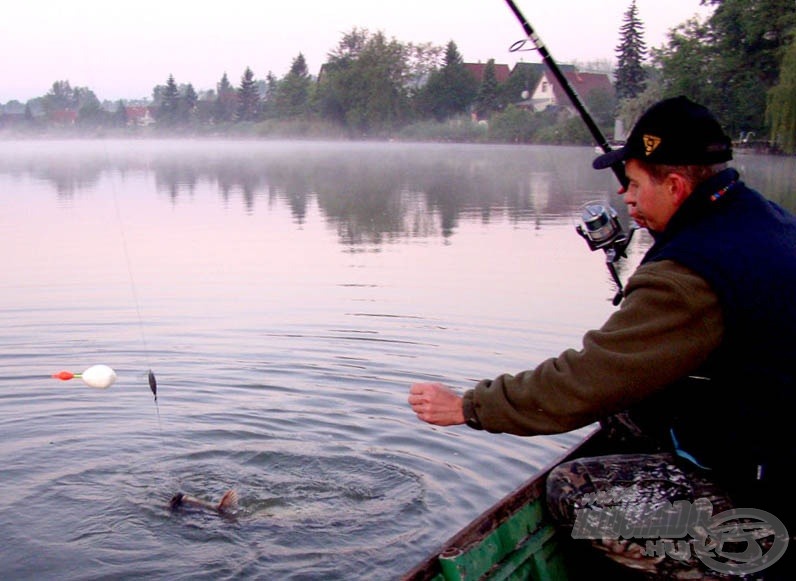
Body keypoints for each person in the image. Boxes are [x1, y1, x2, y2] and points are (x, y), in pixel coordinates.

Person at [408, 96, 796, 578]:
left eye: (634, 184)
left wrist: (469, 407)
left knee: (573, 490)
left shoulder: (690, 272)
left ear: (675, 186)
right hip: (772, 435)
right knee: (631, 412)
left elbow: (586, 380)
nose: (626, 199)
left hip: (769, 494)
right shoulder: (767, 220)